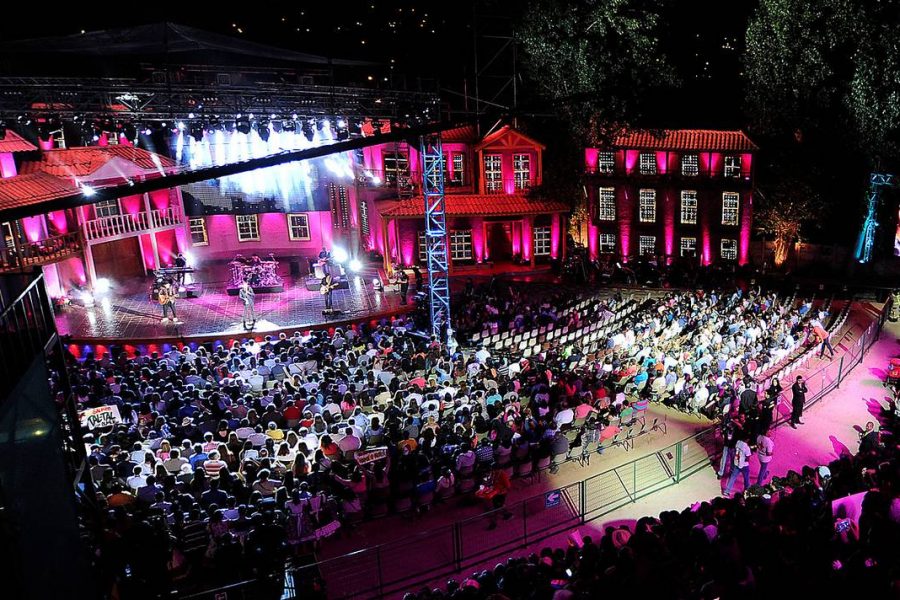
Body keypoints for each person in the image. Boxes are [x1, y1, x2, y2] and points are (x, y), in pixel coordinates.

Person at [480, 464, 513, 530]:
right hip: (495, 492)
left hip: (501, 494)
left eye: (493, 470)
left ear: (497, 469)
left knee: (496, 508)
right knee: (498, 506)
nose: (492, 471)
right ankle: (507, 514)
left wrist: (501, 490)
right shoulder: (493, 473)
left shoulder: (502, 474)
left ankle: (494, 523)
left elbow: (508, 486)